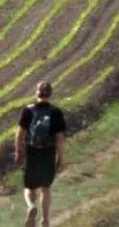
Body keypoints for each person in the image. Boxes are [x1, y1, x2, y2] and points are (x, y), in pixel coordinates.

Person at [15, 82, 66, 227]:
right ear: (50, 94)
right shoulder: (55, 112)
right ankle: (45, 220)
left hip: (32, 152)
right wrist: (61, 160)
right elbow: (59, 139)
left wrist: (18, 152)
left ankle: (31, 206)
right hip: (48, 153)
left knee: (29, 187)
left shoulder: (28, 111)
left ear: (37, 93)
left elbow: (19, 135)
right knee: (45, 188)